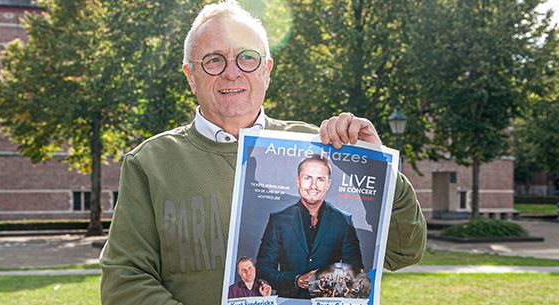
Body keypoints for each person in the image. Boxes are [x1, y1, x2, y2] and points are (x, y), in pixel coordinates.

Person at [99, 1, 426, 305]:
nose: (231, 72)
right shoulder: (149, 163)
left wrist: (378, 165)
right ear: (190, 76)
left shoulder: (321, 149)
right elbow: (124, 281)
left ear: (266, 70)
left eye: (247, 57)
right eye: (214, 59)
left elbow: (403, 251)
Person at [256, 156, 363, 299]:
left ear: (328, 184)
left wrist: (326, 277)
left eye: (320, 179)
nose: (313, 185)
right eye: (307, 178)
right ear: (298, 180)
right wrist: (296, 279)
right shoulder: (278, 220)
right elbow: (263, 270)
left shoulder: (343, 221)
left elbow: (355, 271)